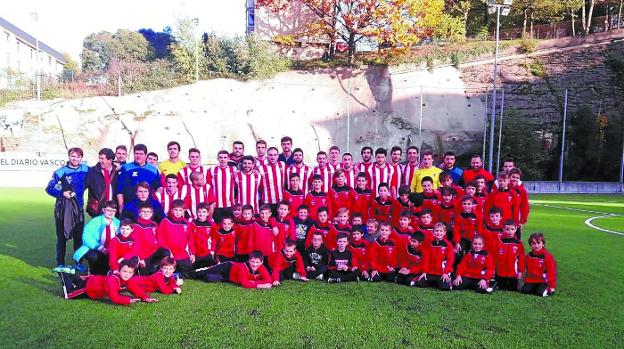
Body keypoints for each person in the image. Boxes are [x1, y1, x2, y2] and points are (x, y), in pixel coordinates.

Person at [46, 147, 89, 271]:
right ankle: (60, 263)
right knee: (61, 237)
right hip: (63, 209)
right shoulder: (60, 172)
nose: (75, 159)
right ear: (69, 156)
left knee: (78, 237)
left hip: (78, 208)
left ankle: (78, 263)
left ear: (81, 158)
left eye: (78, 156)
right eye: (73, 156)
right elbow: (49, 188)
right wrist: (62, 193)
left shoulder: (86, 170)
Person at [58, 259, 157, 305]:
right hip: (89, 287)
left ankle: (74, 275)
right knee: (69, 295)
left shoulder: (128, 279)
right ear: (119, 270)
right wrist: (128, 300)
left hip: (94, 281)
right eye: (125, 271)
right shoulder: (113, 280)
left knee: (78, 281)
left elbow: (135, 289)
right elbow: (114, 297)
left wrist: (146, 298)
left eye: (130, 272)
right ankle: (64, 273)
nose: (127, 274)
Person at [72, 200, 119, 275]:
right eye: (109, 210)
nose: (111, 213)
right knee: (93, 257)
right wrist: (101, 248)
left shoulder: (117, 223)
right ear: (103, 210)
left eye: (113, 211)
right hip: (94, 249)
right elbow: (86, 238)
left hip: (111, 249)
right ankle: (92, 271)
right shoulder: (94, 222)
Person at [116, 144, 161, 211]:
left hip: (147, 209)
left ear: (146, 156)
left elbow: (158, 189)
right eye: (136, 153)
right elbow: (119, 190)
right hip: (129, 207)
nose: (138, 156)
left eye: (141, 154)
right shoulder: (126, 168)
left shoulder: (154, 170)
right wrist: (121, 206)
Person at [131, 203, 172, 275]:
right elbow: (135, 245)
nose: (146, 214)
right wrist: (140, 258)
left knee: (166, 252)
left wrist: (168, 249)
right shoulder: (135, 226)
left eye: (148, 212)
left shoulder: (154, 224)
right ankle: (150, 270)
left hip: (154, 251)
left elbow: (159, 239)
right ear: (139, 213)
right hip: (144, 254)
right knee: (145, 275)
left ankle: (157, 268)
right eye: (143, 211)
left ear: (152, 214)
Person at [197, 251, 273, 289]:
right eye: (252, 262)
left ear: (261, 262)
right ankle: (187, 275)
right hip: (228, 267)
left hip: (228, 278)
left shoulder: (262, 268)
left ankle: (209, 268)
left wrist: (253, 282)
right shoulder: (243, 267)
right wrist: (260, 285)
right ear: (248, 260)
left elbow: (269, 280)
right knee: (204, 272)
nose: (255, 264)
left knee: (208, 278)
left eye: (257, 262)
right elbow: (245, 283)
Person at [156, 200, 194, 274]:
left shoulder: (187, 223)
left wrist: (192, 253)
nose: (178, 212)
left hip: (181, 252)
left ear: (184, 211)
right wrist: (169, 251)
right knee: (168, 264)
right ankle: (161, 268)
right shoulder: (165, 221)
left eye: (180, 210)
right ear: (172, 211)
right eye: (175, 210)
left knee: (187, 269)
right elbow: (161, 238)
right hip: (169, 252)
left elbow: (190, 239)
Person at [417, 223, 454, 291]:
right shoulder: (430, 243)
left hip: (442, 272)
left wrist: (446, 272)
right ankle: (435, 282)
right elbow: (426, 258)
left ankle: (445, 280)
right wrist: (424, 271)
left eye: (441, 231)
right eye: (436, 231)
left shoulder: (448, 245)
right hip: (431, 272)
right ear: (433, 232)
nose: (438, 233)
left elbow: (450, 260)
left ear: (444, 232)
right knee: (420, 283)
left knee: (445, 288)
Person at [85, 148, 117, 218]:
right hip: (98, 210)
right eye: (99, 158)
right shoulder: (92, 172)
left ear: (110, 160)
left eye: (102, 159)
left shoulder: (117, 172)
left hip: (113, 210)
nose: (100, 161)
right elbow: (82, 187)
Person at [521, 233, 557, 297]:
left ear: (543, 244)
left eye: (538, 243)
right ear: (530, 245)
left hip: (543, 281)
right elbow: (523, 267)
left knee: (540, 293)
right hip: (531, 280)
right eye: (534, 243)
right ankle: (535, 288)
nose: (536, 245)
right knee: (524, 291)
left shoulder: (548, 256)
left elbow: (552, 272)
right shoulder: (528, 256)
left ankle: (545, 288)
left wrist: (552, 286)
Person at [493, 220, 525, 291]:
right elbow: (494, 257)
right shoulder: (499, 242)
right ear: (503, 229)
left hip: (513, 273)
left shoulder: (519, 243)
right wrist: (493, 269)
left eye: (512, 229)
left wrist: (520, 271)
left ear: (516, 229)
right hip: (500, 272)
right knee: (501, 288)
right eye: (507, 229)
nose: (510, 231)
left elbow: (521, 259)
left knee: (513, 289)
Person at [207, 150, 237, 223]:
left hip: (230, 205)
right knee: (218, 226)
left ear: (228, 158)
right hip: (217, 205)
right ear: (217, 158)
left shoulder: (233, 170)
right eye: (220, 157)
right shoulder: (211, 170)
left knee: (230, 226)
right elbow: (208, 186)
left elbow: (237, 186)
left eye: (225, 157)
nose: (223, 159)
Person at [258, 147, 287, 215]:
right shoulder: (261, 168)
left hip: (280, 202)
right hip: (266, 201)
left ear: (278, 156)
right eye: (270, 155)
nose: (273, 157)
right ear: (267, 156)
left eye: (274, 155)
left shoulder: (283, 165)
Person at [188, 203, 218, 269]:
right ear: (196, 212)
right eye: (199, 212)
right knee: (192, 269)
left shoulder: (212, 225)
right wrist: (192, 253)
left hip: (207, 253)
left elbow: (214, 239)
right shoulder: (192, 224)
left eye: (204, 212)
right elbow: (190, 240)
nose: (201, 214)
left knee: (209, 269)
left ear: (208, 213)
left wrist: (212, 251)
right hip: (196, 253)